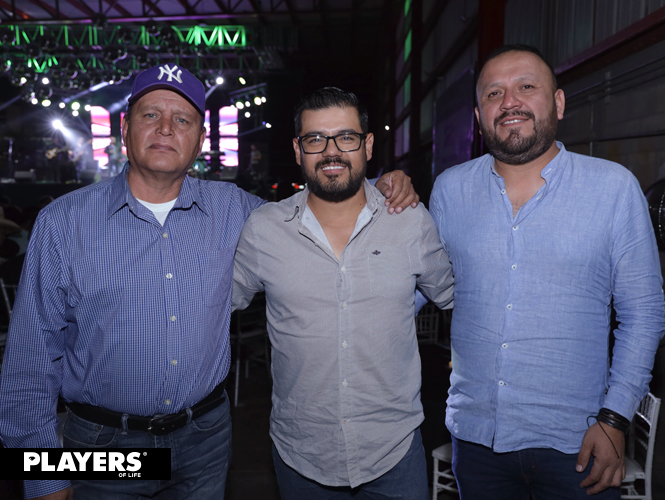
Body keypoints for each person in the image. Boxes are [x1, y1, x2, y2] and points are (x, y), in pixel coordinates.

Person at [0, 66, 418, 500]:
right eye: (150, 115)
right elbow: (29, 360)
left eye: (182, 119)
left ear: (200, 139)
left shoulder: (235, 210)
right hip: (105, 447)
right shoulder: (64, 222)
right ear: (124, 129)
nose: (166, 128)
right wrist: (43, 476)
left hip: (204, 441)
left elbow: (315, 211)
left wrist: (382, 185)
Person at [429, 44, 665, 499]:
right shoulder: (450, 191)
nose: (509, 102)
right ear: (478, 117)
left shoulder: (613, 188)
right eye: (493, 93)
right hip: (477, 444)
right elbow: (416, 283)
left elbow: (644, 314)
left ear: (557, 103)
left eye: (526, 87)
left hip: (579, 442)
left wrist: (614, 419)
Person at [232, 87, 455, 500]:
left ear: (367, 146)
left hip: (394, 452)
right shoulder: (265, 229)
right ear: (298, 150)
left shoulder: (409, 220)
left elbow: (457, 297)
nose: (331, 151)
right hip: (302, 455)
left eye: (346, 137)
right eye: (315, 139)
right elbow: (213, 306)